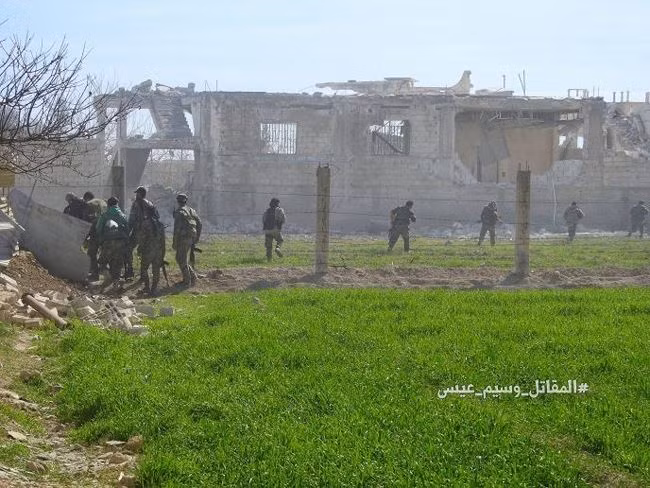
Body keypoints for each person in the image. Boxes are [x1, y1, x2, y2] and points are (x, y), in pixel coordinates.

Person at [128, 186, 163, 295]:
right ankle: (154, 288)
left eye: (137, 193)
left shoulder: (136, 204)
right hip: (155, 241)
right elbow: (158, 217)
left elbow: (131, 220)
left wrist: (128, 232)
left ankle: (130, 271)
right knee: (155, 267)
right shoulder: (150, 204)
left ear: (139, 194)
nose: (136, 195)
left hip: (140, 232)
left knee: (129, 249)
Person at [95, 197, 129, 291]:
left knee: (102, 262)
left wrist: (101, 240)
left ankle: (108, 276)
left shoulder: (104, 215)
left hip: (107, 242)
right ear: (117, 204)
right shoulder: (123, 216)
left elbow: (98, 229)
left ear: (108, 205)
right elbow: (127, 229)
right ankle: (116, 285)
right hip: (120, 242)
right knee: (117, 264)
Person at [173, 193, 202, 287]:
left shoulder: (179, 212)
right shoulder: (191, 210)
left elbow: (177, 229)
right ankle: (192, 277)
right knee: (182, 258)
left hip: (183, 238)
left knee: (180, 258)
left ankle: (187, 281)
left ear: (178, 201)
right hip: (191, 237)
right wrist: (197, 237)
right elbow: (199, 223)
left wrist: (174, 242)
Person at [82, 191, 107, 281]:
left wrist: (85, 236)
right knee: (105, 254)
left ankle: (95, 274)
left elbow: (87, 222)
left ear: (87, 198)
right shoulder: (103, 203)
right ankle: (107, 274)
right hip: (107, 232)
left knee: (91, 253)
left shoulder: (90, 204)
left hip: (96, 233)